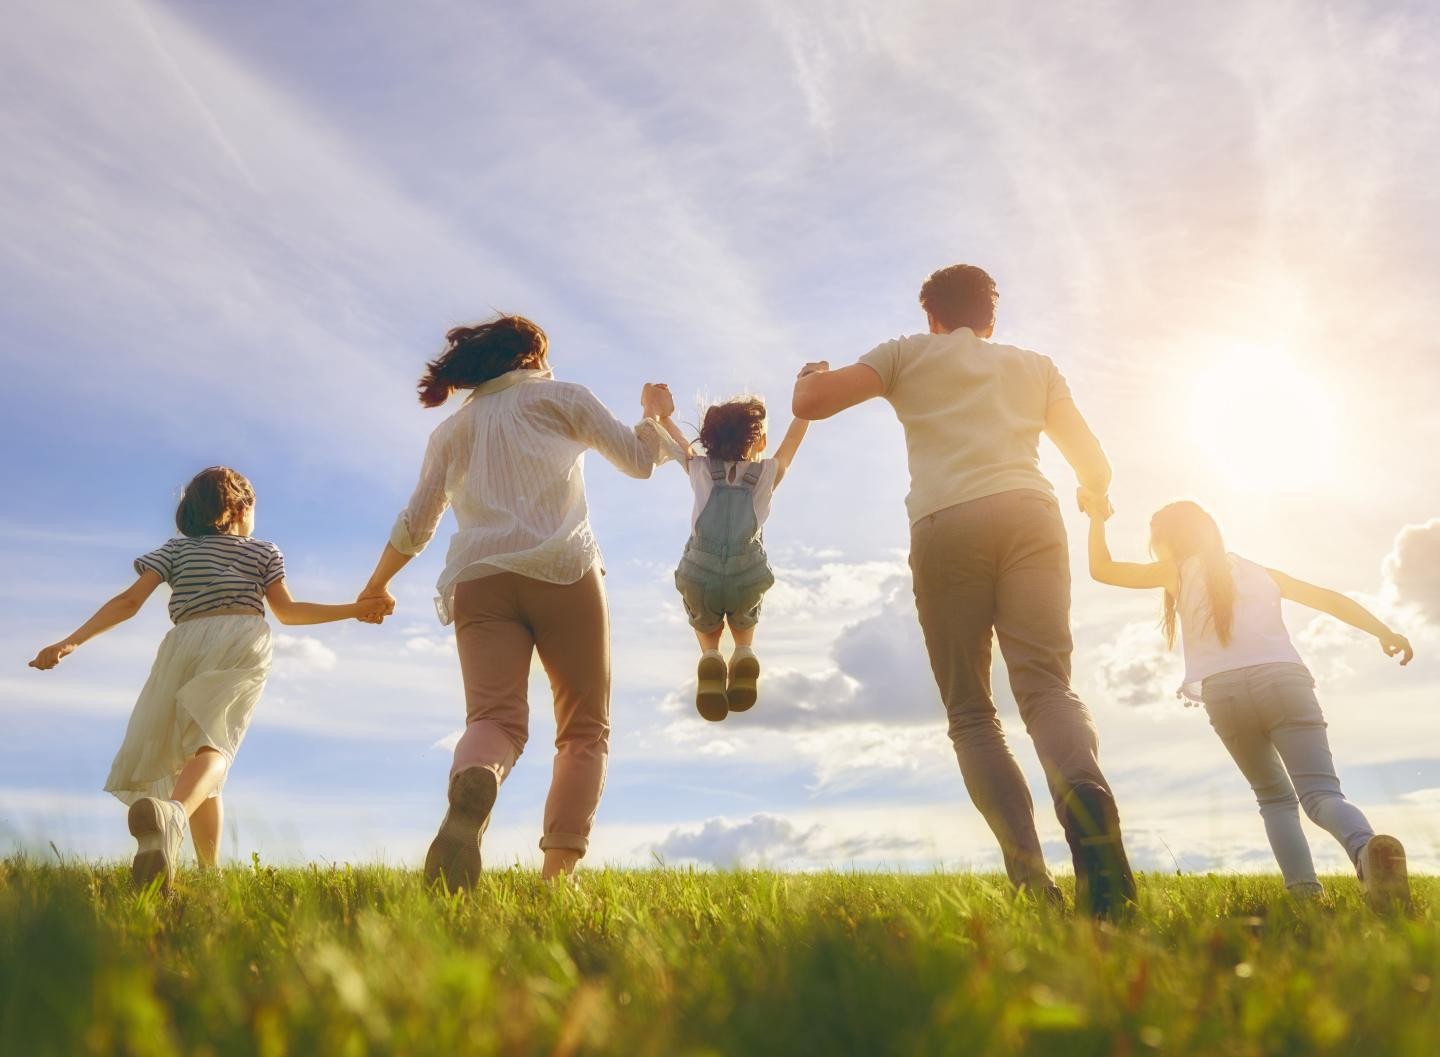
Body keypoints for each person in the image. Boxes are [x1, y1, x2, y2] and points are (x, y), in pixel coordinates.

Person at [791, 263, 1136, 917]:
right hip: (1031, 513)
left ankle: (1034, 883)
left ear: (932, 317)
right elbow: (1093, 462)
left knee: (974, 714)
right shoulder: (1036, 366)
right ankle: (1084, 792)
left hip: (946, 523)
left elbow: (811, 404)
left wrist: (808, 375)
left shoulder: (904, 354)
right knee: (1047, 688)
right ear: (990, 319)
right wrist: (1095, 494)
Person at [355, 313, 676, 887]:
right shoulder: (563, 398)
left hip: (480, 581)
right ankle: (557, 879)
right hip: (564, 570)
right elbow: (639, 462)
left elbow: (416, 524)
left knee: (493, 719)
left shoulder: (451, 433)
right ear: (533, 358)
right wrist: (653, 416)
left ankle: (476, 776)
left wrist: (377, 584)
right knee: (582, 729)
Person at [27, 466, 386, 889]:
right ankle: (174, 817)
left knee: (194, 757)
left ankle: (208, 875)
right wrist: (354, 609)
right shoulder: (263, 551)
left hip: (183, 646)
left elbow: (127, 602)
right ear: (240, 506)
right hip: (240, 639)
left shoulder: (175, 551)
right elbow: (288, 612)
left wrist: (70, 643)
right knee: (215, 747)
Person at [1085, 497, 1414, 909]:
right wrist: (1383, 631)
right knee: (1321, 795)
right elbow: (1328, 599)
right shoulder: (1261, 572)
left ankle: (1306, 899)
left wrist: (1096, 516)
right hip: (1284, 682)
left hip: (1225, 694)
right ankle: (1368, 854)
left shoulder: (1175, 572)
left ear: (1166, 541)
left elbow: (1102, 569)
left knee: (1274, 797)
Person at [654, 397, 809, 720]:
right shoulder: (766, 472)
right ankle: (743, 651)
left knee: (704, 619)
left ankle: (711, 655)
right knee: (745, 613)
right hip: (746, 575)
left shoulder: (700, 469)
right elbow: (792, 442)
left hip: (701, 573)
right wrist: (804, 412)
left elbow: (676, 443)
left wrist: (666, 416)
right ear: (759, 441)